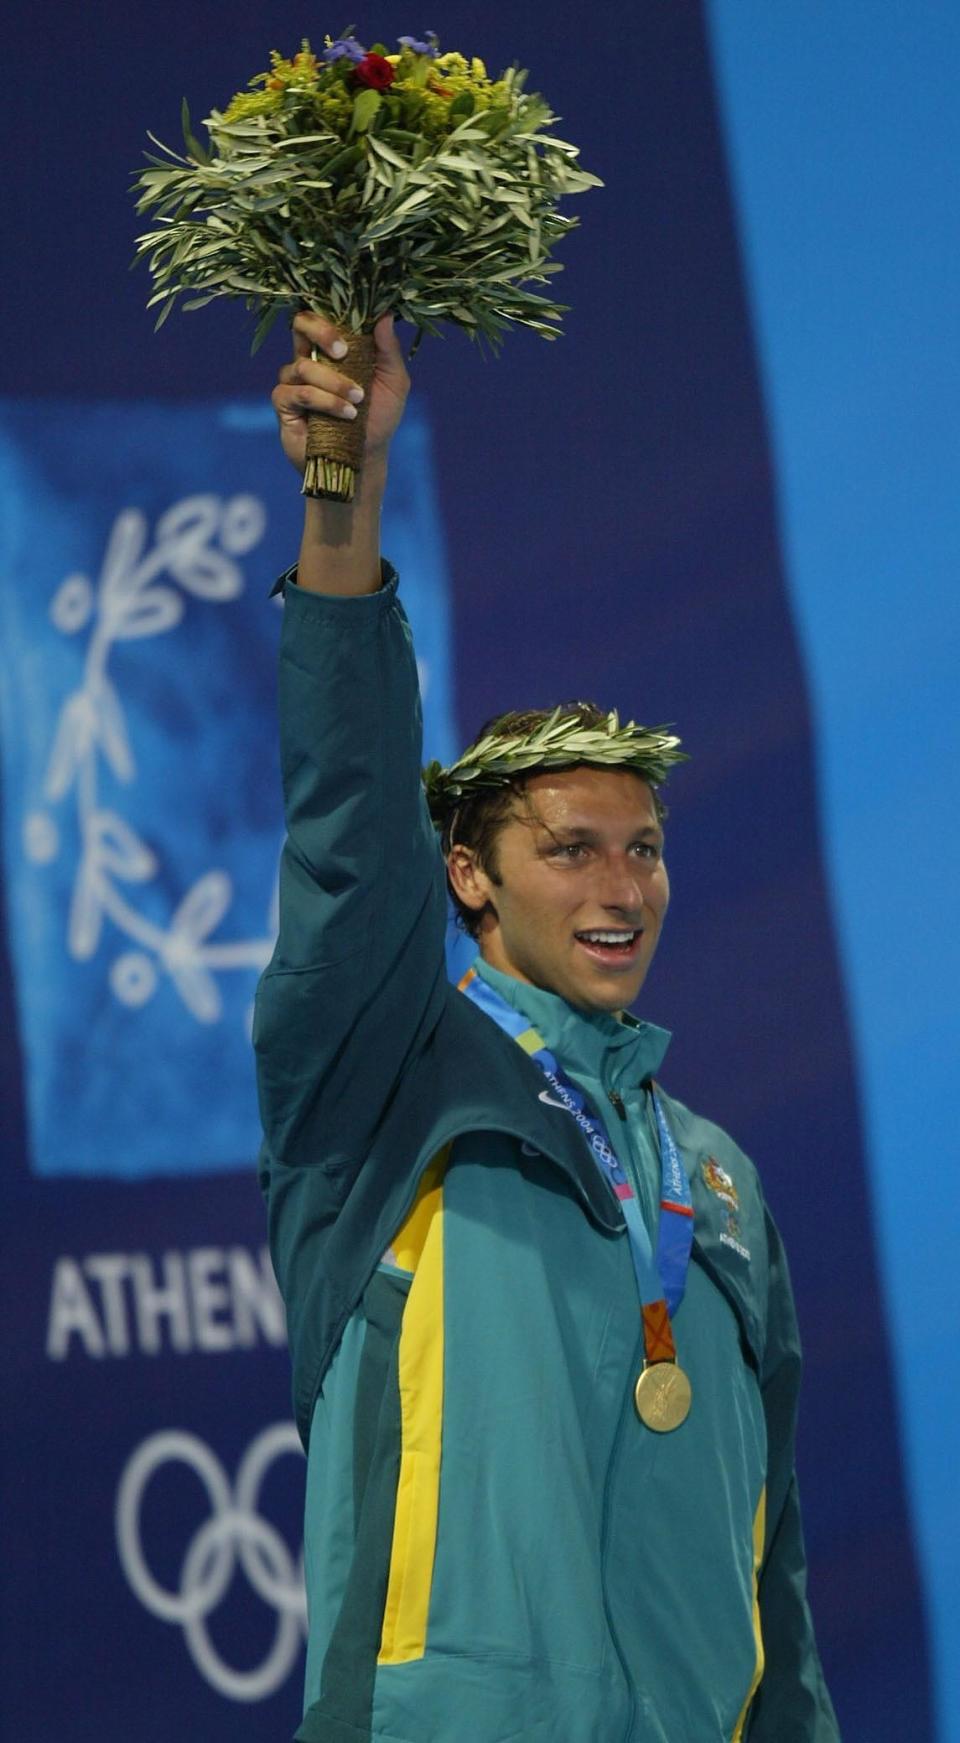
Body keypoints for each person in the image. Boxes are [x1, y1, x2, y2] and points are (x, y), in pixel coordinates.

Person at [256, 311, 840, 1743]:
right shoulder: (387, 1089)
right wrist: (346, 488)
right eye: (569, 849)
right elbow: (348, 819)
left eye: (642, 848)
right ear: (468, 877)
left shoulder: (715, 1179)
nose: (622, 887)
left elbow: (777, 1576)